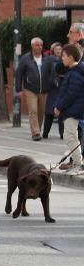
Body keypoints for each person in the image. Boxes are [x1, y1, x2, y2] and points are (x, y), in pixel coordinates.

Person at [15, 37, 54, 141]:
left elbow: (52, 72)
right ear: (32, 46)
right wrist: (18, 89)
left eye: (41, 45)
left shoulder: (47, 58)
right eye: (37, 45)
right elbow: (19, 73)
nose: (39, 47)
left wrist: (52, 83)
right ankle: (35, 132)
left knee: (41, 111)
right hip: (30, 89)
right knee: (33, 110)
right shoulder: (25, 59)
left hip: (44, 89)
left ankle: (37, 130)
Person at [54, 44, 84, 172]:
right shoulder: (73, 71)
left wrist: (59, 107)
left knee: (70, 136)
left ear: (71, 57)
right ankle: (77, 163)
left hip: (73, 110)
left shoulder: (75, 73)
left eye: (64, 56)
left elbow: (71, 93)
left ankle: (78, 163)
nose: (62, 59)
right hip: (73, 109)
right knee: (71, 136)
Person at [43, 43, 64, 139]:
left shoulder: (64, 59)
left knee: (62, 112)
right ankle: (45, 133)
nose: (58, 51)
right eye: (56, 49)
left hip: (62, 88)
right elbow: (46, 73)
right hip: (53, 89)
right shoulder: (50, 59)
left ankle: (62, 134)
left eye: (60, 49)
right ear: (53, 50)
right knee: (50, 113)